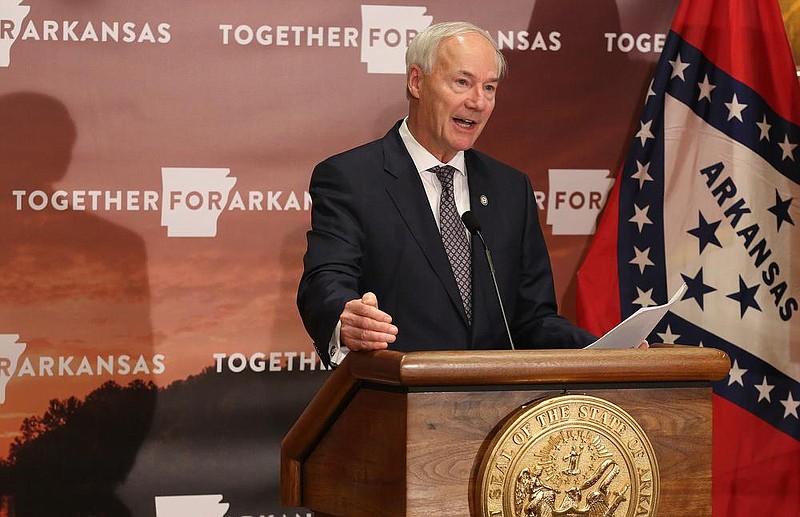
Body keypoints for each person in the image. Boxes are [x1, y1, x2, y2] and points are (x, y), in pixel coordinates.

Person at [297, 21, 597, 368]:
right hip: (395, 402)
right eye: (462, 82)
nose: (479, 102)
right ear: (416, 82)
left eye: (489, 87)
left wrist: (604, 351)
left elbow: (532, 319)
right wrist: (345, 319)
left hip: (499, 408)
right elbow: (325, 281)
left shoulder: (511, 188)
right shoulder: (351, 178)